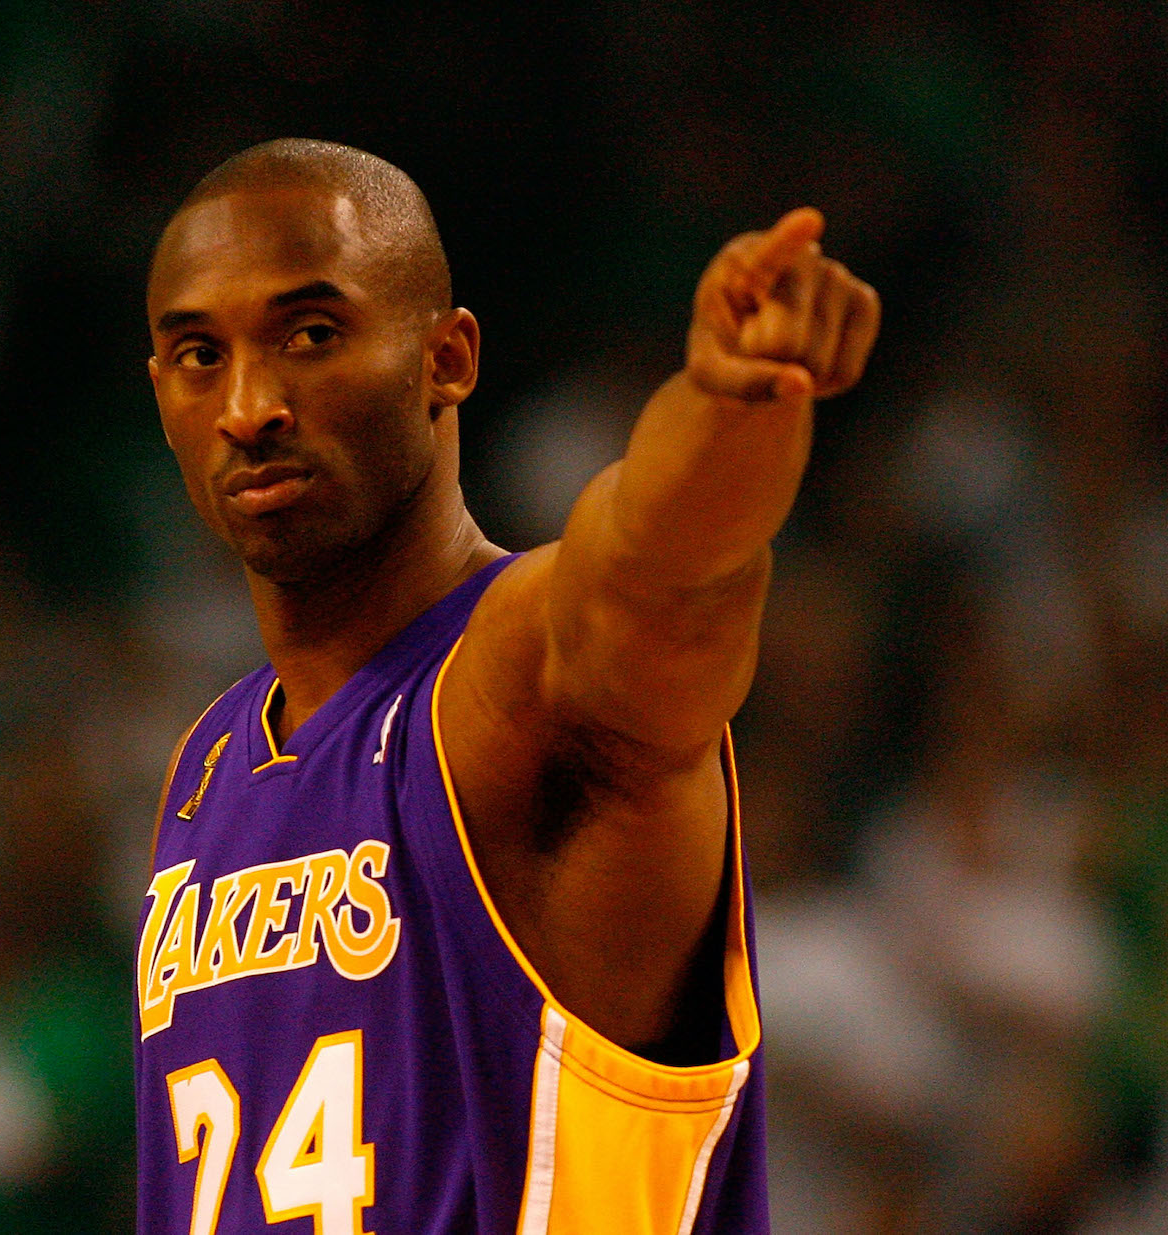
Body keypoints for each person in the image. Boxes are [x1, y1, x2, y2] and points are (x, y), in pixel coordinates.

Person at [135, 138, 878, 1235]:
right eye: (199, 353)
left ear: (447, 358)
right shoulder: (205, 762)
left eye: (309, 334)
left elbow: (655, 572)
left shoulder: (519, 679)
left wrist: (733, 405)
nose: (248, 404)